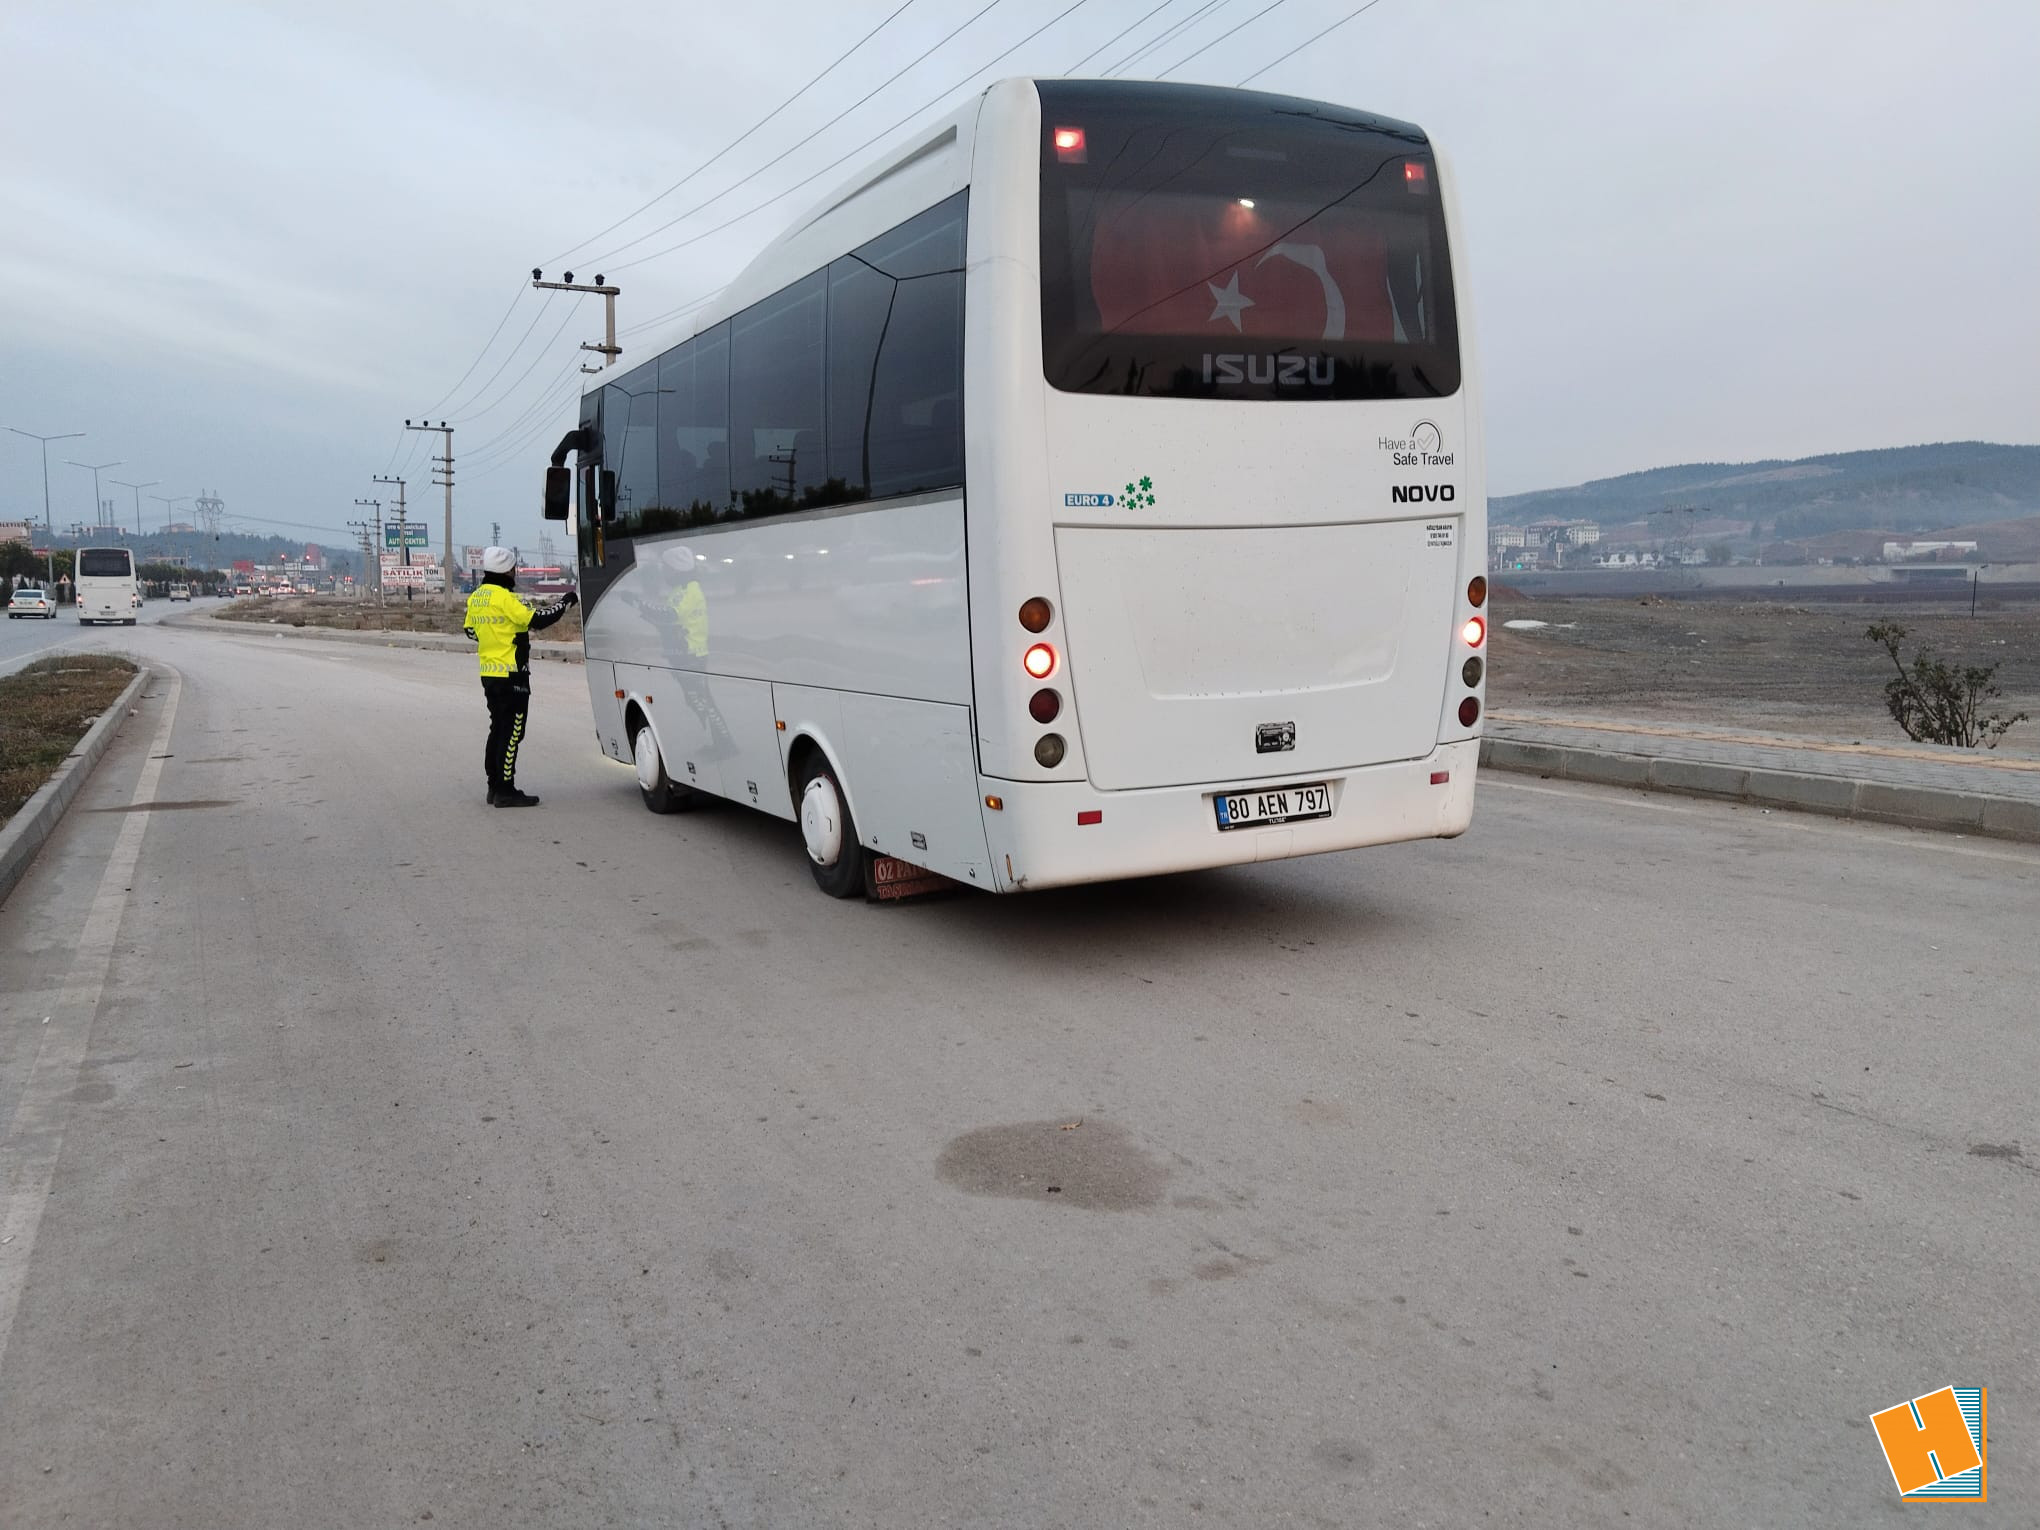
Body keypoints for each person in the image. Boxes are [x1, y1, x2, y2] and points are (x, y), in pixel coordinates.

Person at [463, 547, 576, 807]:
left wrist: (494, 638)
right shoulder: (504, 598)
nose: (515, 573)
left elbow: (470, 631)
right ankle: (505, 789)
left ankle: (493, 787)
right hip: (511, 675)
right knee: (512, 732)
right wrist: (566, 602)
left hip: (489, 673)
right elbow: (538, 619)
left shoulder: (477, 597)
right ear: (507, 571)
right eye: (514, 569)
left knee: (497, 729)